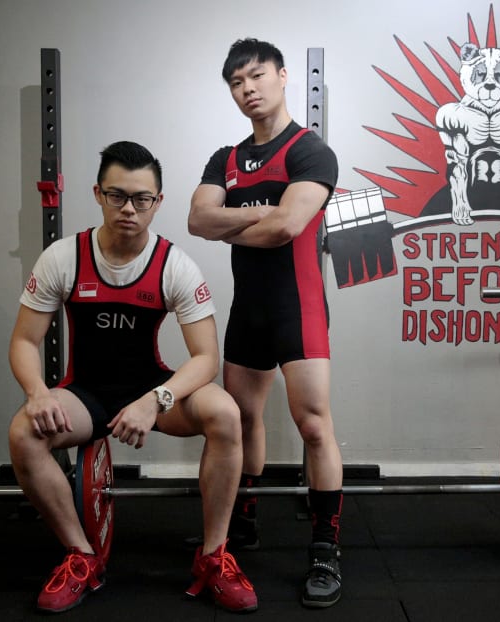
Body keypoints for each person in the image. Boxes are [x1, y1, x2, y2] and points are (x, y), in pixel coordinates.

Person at [7, 141, 257, 614]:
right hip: (86, 395)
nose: (129, 208)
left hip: (151, 388)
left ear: (157, 203)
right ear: (98, 194)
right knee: (23, 432)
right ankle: (81, 557)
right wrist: (38, 393)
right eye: (117, 195)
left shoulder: (174, 265)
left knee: (225, 412)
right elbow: (24, 341)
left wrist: (156, 400)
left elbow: (205, 358)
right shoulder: (63, 257)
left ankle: (213, 557)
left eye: (142, 199)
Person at [188, 38, 343, 608]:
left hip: (296, 307)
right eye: (236, 82)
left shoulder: (310, 152)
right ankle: (242, 522)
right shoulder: (224, 159)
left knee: (314, 426)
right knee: (243, 419)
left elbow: (286, 229)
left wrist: (234, 220)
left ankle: (325, 549)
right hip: (248, 308)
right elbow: (195, 219)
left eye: (256, 76)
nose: (247, 89)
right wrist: (260, 213)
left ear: (282, 76)